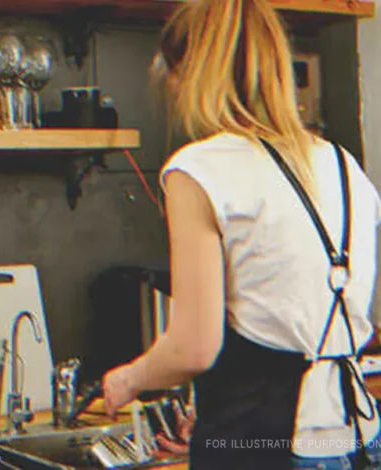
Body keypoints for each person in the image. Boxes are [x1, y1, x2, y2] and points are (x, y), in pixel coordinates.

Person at [101, 0, 381, 469]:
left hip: (266, 447)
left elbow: (193, 348)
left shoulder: (199, 169)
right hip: (356, 439)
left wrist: (129, 378)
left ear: (191, 74)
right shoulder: (343, 165)